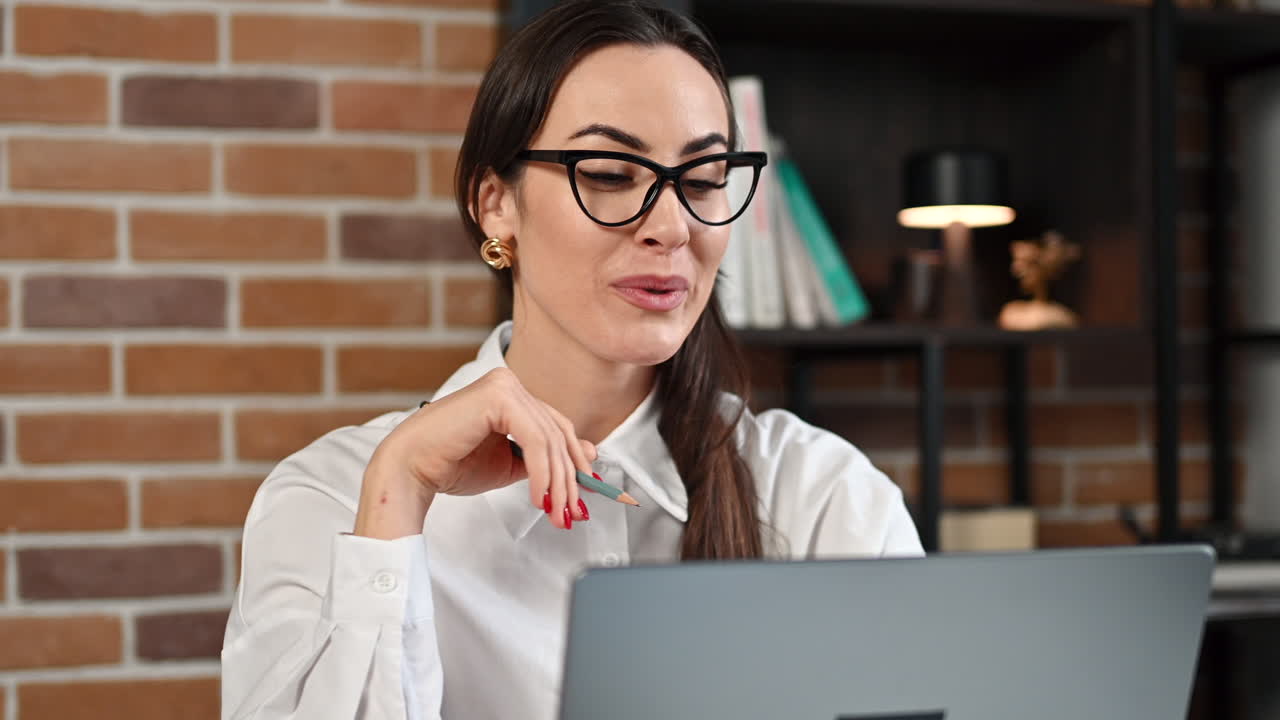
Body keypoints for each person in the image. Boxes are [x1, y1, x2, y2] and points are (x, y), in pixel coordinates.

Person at [220, 1, 922, 718]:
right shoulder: (332, 503)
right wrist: (398, 497)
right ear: (495, 206)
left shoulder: (825, 499)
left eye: (706, 177)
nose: (672, 226)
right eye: (612, 173)